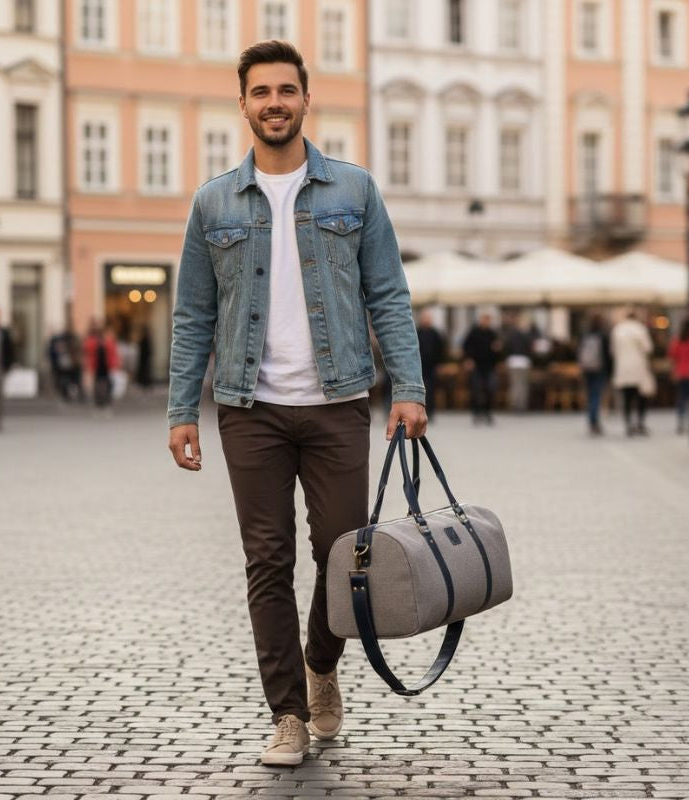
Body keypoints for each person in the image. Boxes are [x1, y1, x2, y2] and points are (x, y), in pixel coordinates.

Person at [167, 41, 426, 767]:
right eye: (261, 92)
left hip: (337, 399)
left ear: (307, 100)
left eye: (287, 90)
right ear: (243, 103)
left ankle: (320, 663)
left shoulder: (354, 190)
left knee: (346, 556)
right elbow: (191, 315)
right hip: (248, 407)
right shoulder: (213, 201)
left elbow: (389, 295)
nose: (274, 102)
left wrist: (408, 387)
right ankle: (286, 713)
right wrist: (180, 410)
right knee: (267, 559)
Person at [611, 308, 654, 436]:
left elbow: (612, 351)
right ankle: (640, 423)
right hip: (638, 367)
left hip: (623, 368)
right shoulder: (640, 329)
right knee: (641, 397)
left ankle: (628, 423)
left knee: (627, 398)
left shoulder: (617, 330)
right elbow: (648, 348)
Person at [462, 313, 501, 424]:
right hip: (476, 366)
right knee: (476, 389)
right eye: (484, 319)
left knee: (490, 389)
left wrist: (498, 351)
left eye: (488, 320)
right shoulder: (474, 332)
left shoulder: (492, 334)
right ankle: (476, 412)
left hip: (489, 366)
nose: (486, 322)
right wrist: (468, 359)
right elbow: (466, 347)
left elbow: (498, 350)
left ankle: (487, 412)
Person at [578, 313, 612, 436]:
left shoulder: (584, 334)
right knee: (596, 395)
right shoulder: (603, 335)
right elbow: (607, 356)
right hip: (599, 369)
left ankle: (591, 420)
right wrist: (609, 371)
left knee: (590, 394)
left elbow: (579, 351)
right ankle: (594, 421)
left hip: (587, 368)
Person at [416, 309, 445, 420]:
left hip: (432, 366)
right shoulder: (417, 332)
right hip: (419, 366)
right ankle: (419, 411)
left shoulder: (435, 333)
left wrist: (440, 364)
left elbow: (441, 349)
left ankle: (431, 411)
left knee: (431, 389)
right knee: (420, 389)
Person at [84, 323, 120, 408]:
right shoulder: (99, 342)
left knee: (103, 382)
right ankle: (101, 400)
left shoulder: (103, 342)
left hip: (104, 366)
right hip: (101, 366)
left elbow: (113, 354)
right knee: (102, 383)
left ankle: (102, 400)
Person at [502, 315, 533, 412]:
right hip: (523, 361)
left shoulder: (510, 335)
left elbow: (506, 348)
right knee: (522, 384)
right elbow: (530, 348)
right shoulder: (526, 335)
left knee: (515, 384)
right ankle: (521, 405)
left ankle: (514, 404)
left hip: (513, 361)